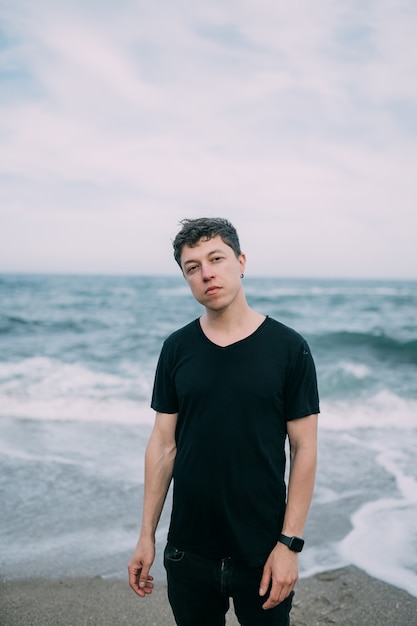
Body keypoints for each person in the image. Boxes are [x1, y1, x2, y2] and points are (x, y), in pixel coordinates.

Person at [128, 217, 319, 626]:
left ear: (241, 261)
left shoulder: (289, 348)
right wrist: (147, 535)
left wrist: (289, 545)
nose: (206, 273)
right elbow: (163, 445)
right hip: (188, 550)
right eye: (192, 267)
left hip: (263, 551)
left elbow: (304, 448)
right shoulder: (177, 348)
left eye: (216, 258)